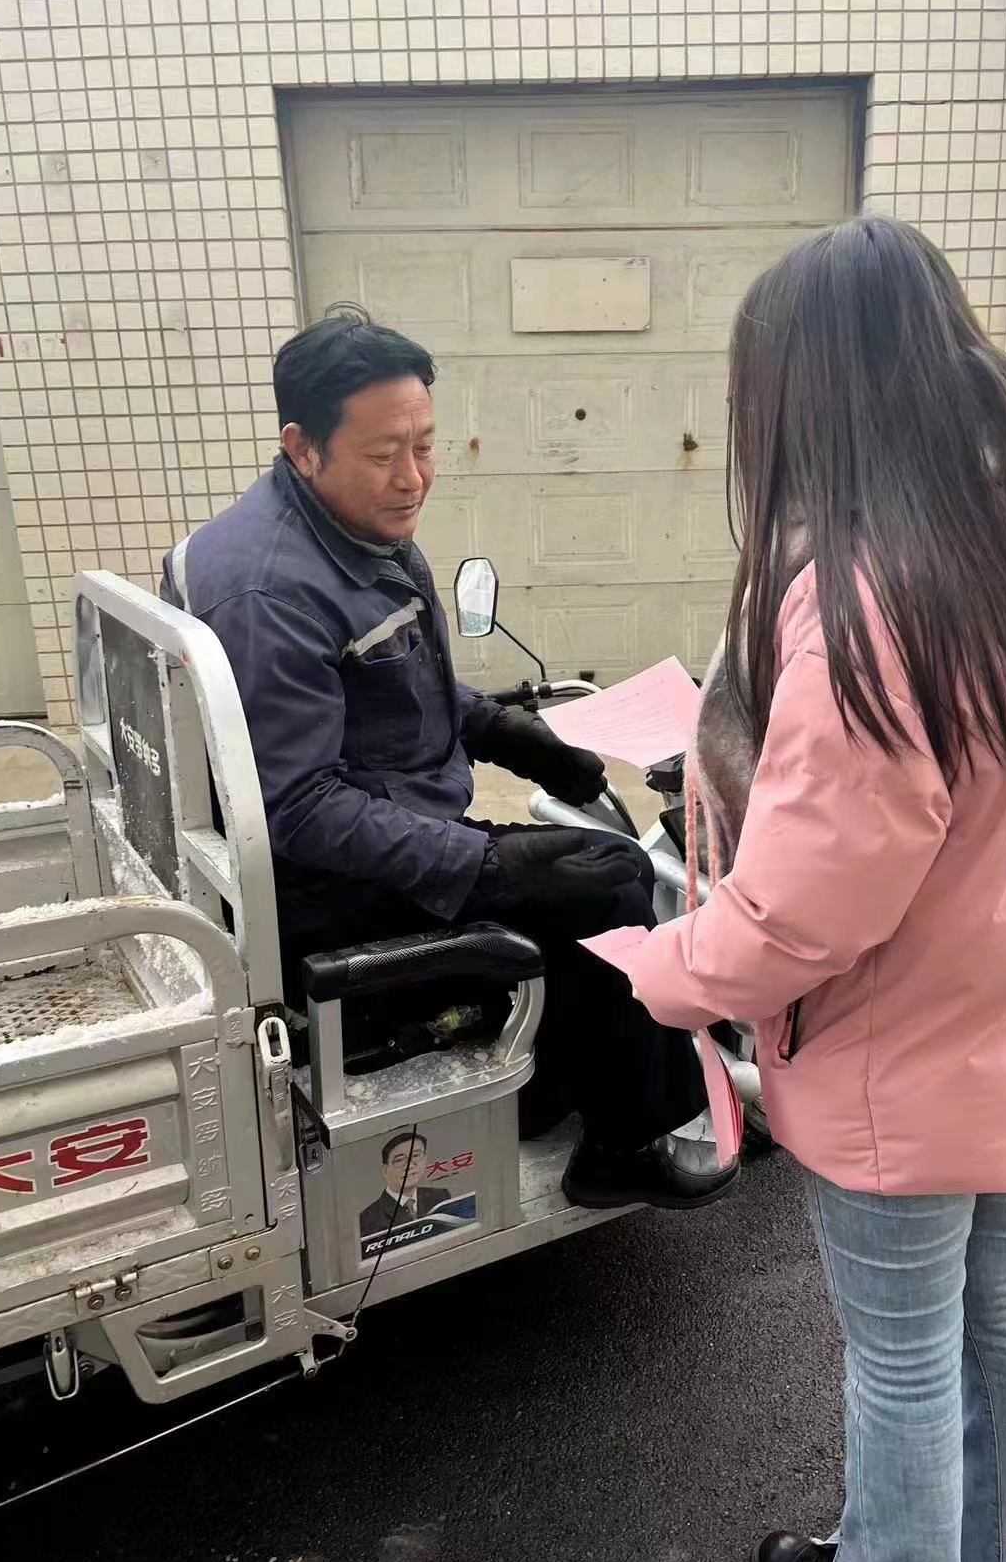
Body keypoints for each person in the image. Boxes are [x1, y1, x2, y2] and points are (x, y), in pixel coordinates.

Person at [628, 217, 1006, 1562]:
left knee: (906, 1366)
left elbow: (804, 908)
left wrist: (662, 968)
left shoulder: (865, 596)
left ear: (803, 396)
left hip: (907, 1065)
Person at [160, 308, 734, 1213]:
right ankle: (623, 1143)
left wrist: (508, 733)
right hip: (325, 891)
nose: (414, 476)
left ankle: (543, 1086)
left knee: (574, 867)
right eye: (385, 452)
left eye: (425, 445)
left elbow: (395, 685)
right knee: (612, 880)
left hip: (377, 826)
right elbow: (299, 807)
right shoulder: (272, 591)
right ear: (302, 448)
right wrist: (484, 863)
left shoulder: (346, 528)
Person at [358, 1132, 451, 1242]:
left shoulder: (440, 1196)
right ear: (385, 1170)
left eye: (416, 1156)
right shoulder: (368, 1218)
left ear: (425, 1158)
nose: (410, 1165)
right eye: (400, 1160)